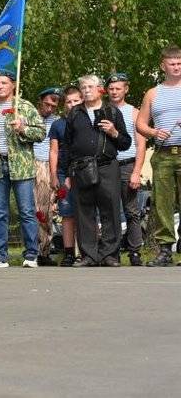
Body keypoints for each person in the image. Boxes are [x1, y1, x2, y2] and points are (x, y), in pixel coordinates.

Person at [0, 69, 46, 268]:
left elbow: (41, 132)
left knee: (26, 211)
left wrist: (22, 129)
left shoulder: (25, 107)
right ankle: (0, 256)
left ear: (13, 85)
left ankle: (31, 255)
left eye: (4, 83)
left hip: (20, 166)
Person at [62, 75, 132, 266]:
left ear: (100, 89)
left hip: (107, 166)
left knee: (110, 210)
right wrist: (68, 173)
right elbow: (67, 145)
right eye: (83, 87)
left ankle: (110, 254)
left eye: (90, 87)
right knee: (84, 212)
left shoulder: (112, 111)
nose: (86, 90)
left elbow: (125, 143)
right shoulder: (75, 113)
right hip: (81, 168)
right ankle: (89, 255)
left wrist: (114, 132)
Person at [136, 45, 181, 267]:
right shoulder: (153, 93)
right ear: (163, 65)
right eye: (172, 63)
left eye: (180, 63)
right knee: (162, 203)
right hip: (163, 154)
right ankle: (164, 250)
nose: (176, 67)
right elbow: (140, 124)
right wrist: (154, 132)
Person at [106, 73, 144, 264]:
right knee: (109, 210)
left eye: (118, 88)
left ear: (126, 89)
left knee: (131, 211)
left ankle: (135, 251)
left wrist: (137, 171)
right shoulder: (102, 111)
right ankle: (111, 252)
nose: (114, 92)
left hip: (128, 164)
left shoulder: (134, 113)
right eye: (111, 88)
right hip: (107, 166)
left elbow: (140, 144)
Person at [49, 85, 83, 265]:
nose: (72, 105)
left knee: (86, 213)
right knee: (67, 213)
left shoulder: (89, 120)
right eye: (68, 102)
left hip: (84, 172)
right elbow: (54, 151)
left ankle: (85, 252)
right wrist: (54, 174)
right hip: (63, 172)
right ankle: (69, 252)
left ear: (82, 101)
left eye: (76, 101)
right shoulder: (58, 124)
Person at [32, 87, 62, 265]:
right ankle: (31, 249)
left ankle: (43, 251)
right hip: (29, 164)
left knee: (45, 211)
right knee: (30, 211)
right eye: (46, 104)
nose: (49, 109)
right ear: (40, 101)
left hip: (47, 166)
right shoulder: (29, 117)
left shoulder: (57, 122)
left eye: (53, 105)